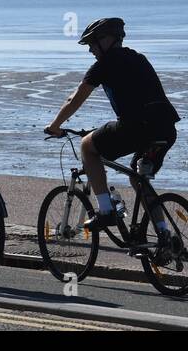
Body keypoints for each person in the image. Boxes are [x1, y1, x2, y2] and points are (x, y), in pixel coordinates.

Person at [43, 17, 180, 238]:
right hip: (165, 129)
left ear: (106, 40)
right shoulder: (139, 58)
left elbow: (74, 100)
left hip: (137, 127)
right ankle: (165, 237)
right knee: (139, 178)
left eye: (92, 44)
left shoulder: (104, 65)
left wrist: (55, 125)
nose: (90, 51)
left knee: (88, 146)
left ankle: (106, 210)